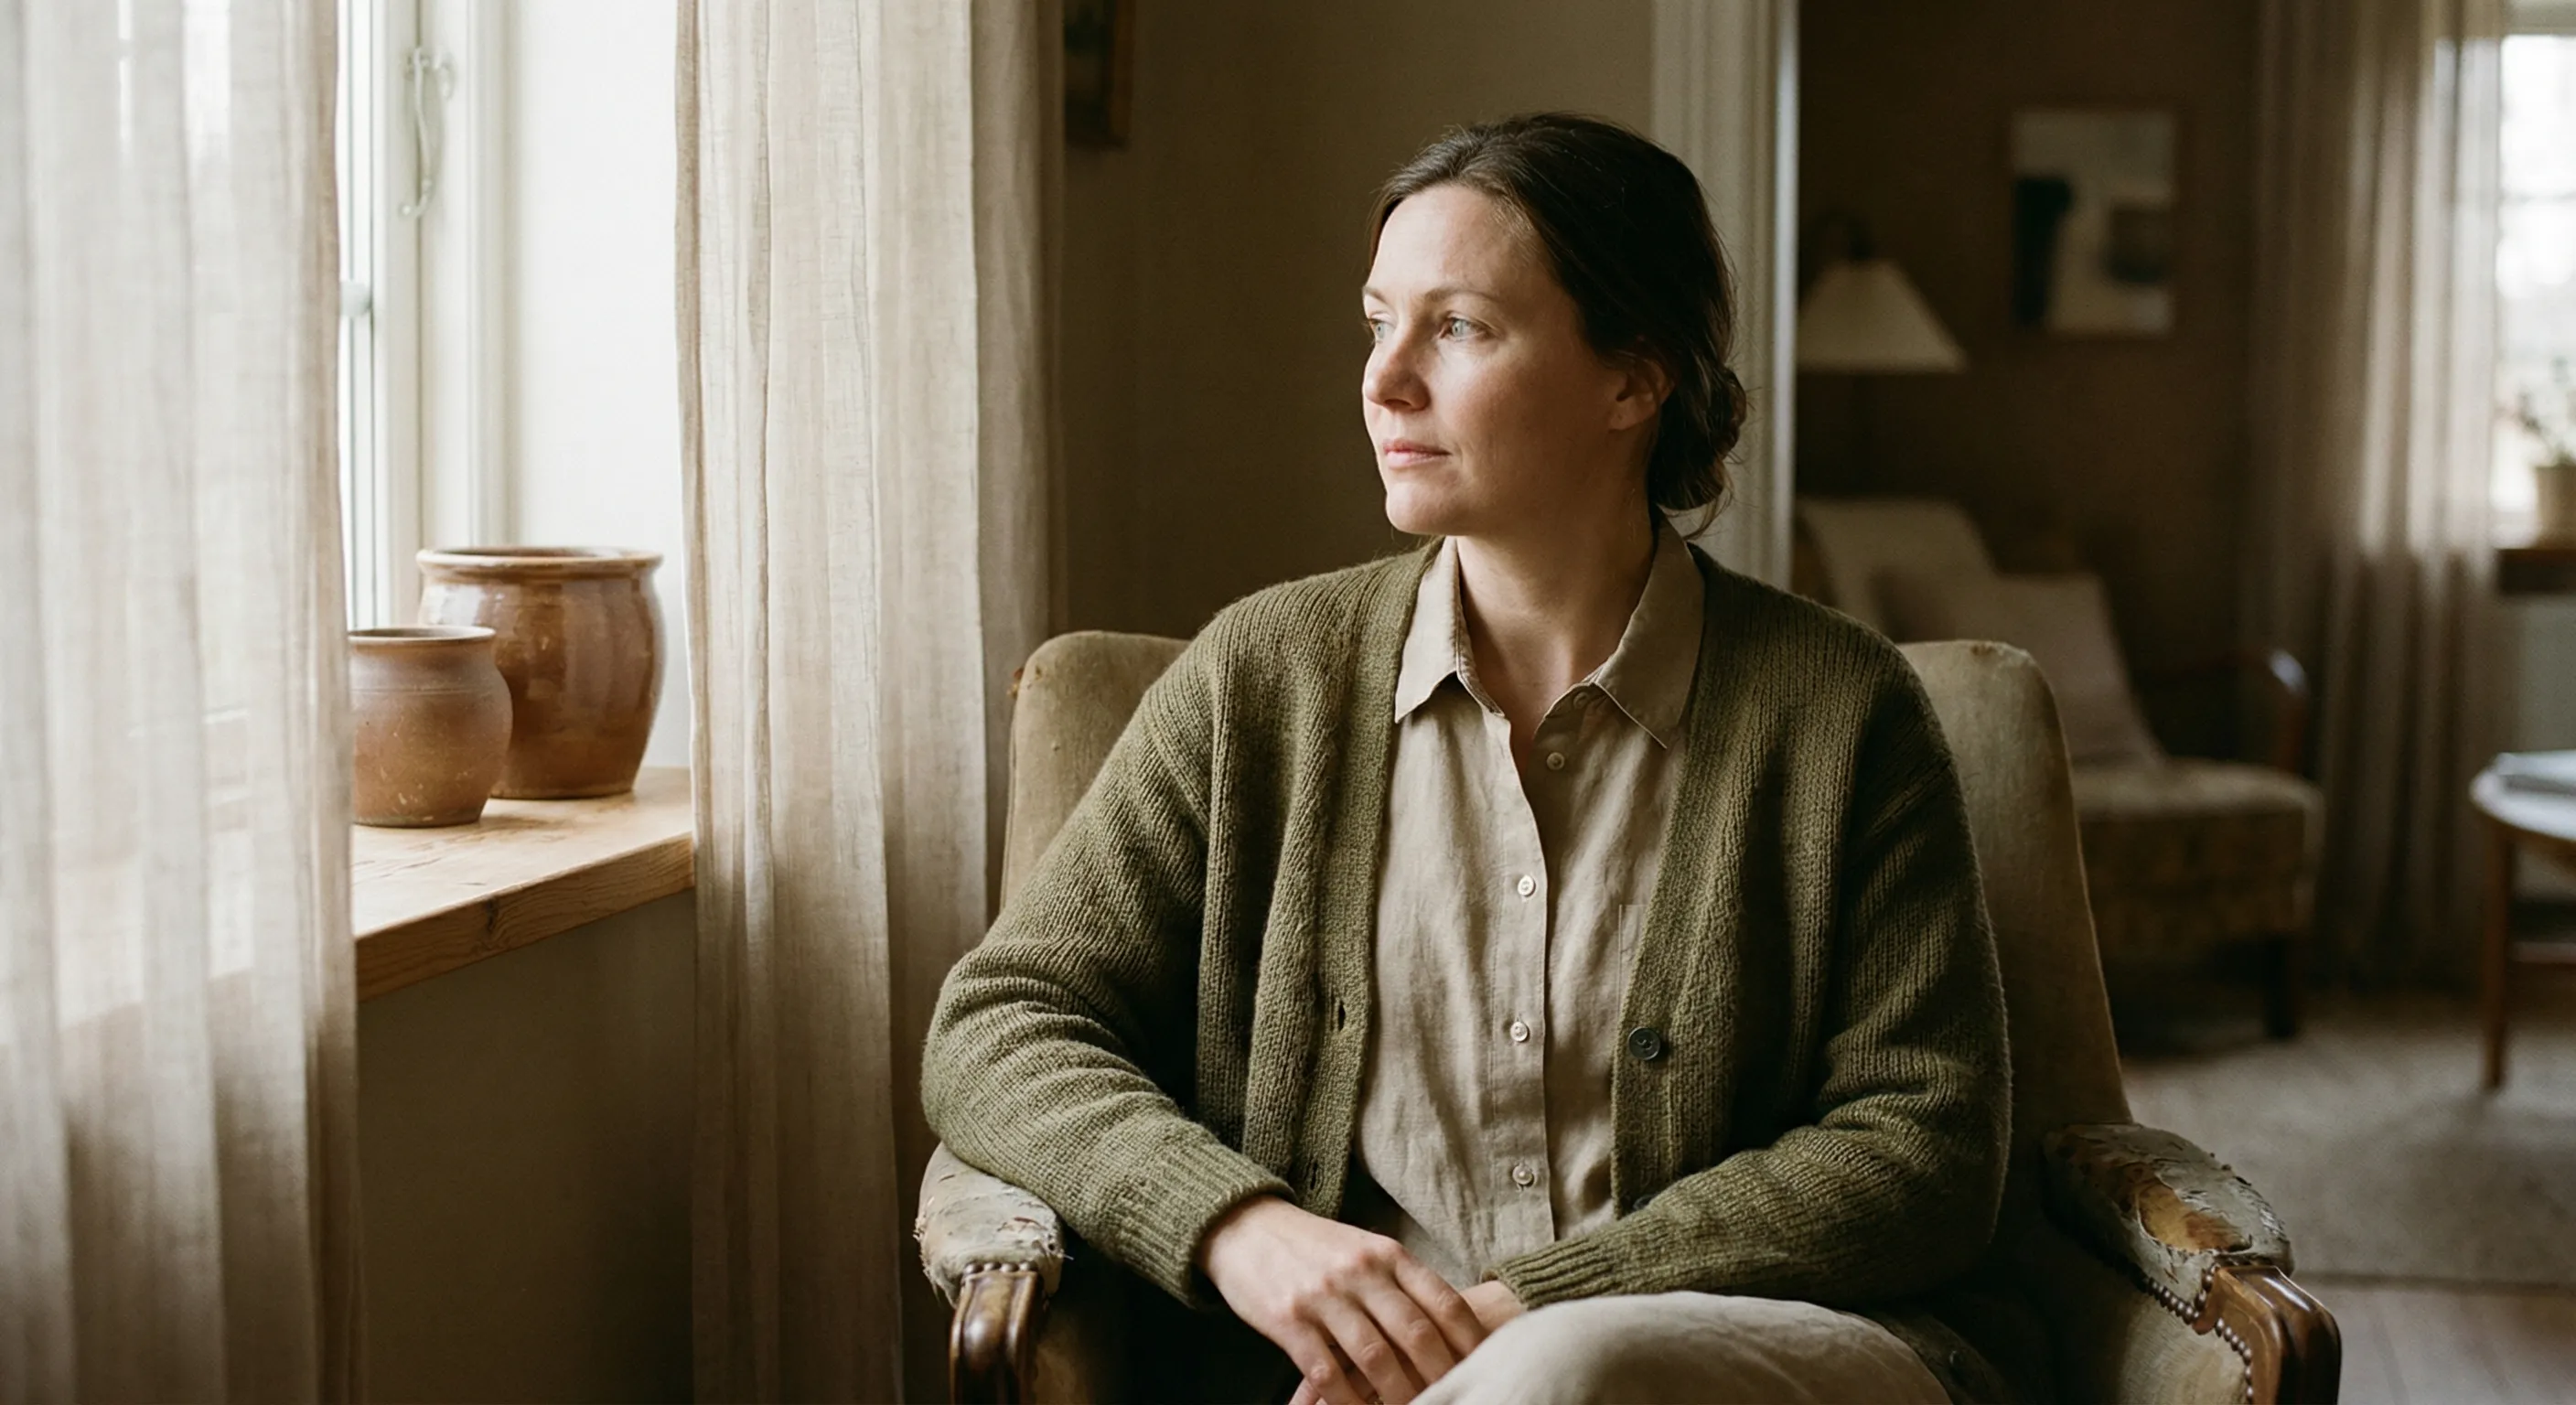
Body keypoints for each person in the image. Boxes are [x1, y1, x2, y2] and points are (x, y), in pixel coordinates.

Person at [924, 113, 2010, 1404]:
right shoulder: (1263, 678)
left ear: (1633, 378)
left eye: (1460, 328)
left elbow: (1926, 1144)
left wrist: (1532, 1312)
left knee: (1572, 1373)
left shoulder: (1842, 714)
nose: (1386, 381)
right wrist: (1240, 1229)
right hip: (1347, 1382)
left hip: (1753, 1353)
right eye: (1379, 323)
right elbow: (1001, 1022)